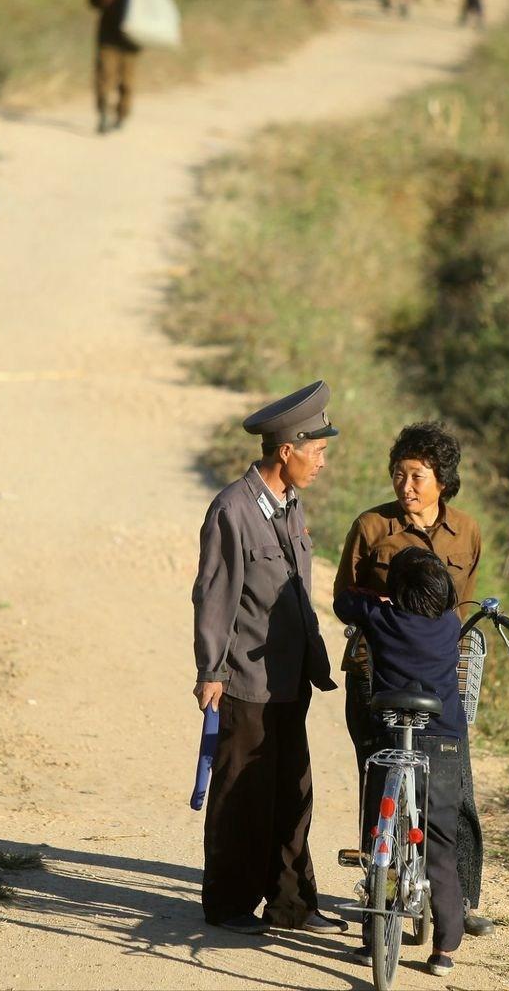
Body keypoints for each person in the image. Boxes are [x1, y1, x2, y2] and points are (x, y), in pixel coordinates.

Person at [192, 380, 347, 936]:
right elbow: (215, 594)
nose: (323, 462)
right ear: (287, 450)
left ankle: (292, 904)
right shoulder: (233, 509)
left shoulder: (288, 505)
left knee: (292, 792)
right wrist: (211, 670)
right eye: (318, 451)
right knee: (241, 795)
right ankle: (230, 904)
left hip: (288, 680)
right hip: (245, 682)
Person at [334, 421, 494, 938]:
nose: (405, 485)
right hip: (374, 676)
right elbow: (342, 598)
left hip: (440, 681)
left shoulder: (467, 531)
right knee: (377, 781)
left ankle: (459, 900)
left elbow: (461, 604)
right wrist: (376, 610)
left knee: (455, 787)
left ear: (442, 481)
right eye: (399, 474)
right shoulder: (370, 527)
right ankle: (377, 899)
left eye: (417, 475)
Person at [334, 547, 466, 977]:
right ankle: (444, 948)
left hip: (391, 731)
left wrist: (377, 598)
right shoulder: (449, 625)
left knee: (379, 839)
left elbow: (344, 601)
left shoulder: (380, 617)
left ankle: (375, 937)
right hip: (442, 740)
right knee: (441, 841)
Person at [88, 0, 140, 134]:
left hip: (112, 29)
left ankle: (107, 113)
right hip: (131, 30)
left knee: (106, 74)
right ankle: (120, 114)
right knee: (126, 76)